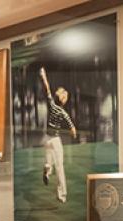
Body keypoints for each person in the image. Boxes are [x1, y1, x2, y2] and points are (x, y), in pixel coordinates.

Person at [39, 66, 77, 203]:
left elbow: (47, 89)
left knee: (49, 161)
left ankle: (47, 169)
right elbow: (70, 124)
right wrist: (73, 131)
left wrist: (44, 76)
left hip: (46, 138)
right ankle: (62, 195)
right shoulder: (62, 112)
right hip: (55, 139)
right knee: (60, 166)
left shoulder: (51, 105)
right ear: (64, 99)